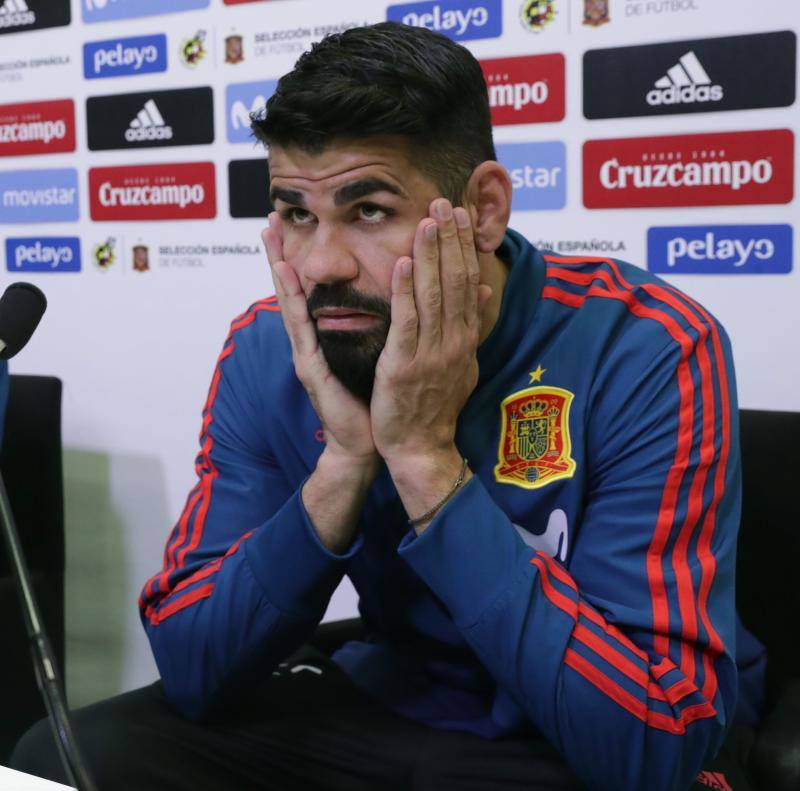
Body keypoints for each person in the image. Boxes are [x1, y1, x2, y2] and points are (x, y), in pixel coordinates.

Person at [12, 22, 764, 791]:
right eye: (297, 213)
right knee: (64, 754)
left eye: (368, 209)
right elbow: (196, 668)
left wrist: (425, 459)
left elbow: (653, 745)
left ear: (485, 208)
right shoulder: (272, 348)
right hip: (393, 697)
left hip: (578, 732)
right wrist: (343, 462)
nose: (321, 265)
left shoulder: (646, 344)